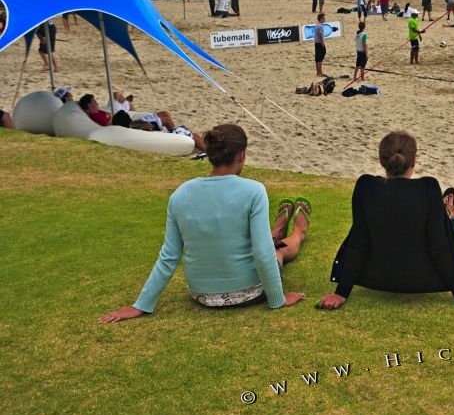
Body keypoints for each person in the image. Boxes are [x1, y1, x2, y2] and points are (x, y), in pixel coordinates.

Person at [99, 124, 309, 323]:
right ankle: (298, 231)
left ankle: (278, 229)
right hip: (249, 293)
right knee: (277, 252)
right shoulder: (254, 190)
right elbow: (263, 254)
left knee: (269, 244)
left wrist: (141, 305)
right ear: (242, 156)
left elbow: (169, 255)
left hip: (202, 295)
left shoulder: (180, 194)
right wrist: (277, 300)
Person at [317, 131, 454, 312]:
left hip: (378, 274)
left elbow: (359, 242)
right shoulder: (428, 187)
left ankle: (446, 210)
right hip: (423, 272)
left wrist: (342, 292)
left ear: (381, 161)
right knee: (451, 231)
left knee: (443, 227)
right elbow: (439, 245)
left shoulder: (365, 187)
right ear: (414, 162)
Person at [313, 13, 327, 77]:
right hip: (319, 43)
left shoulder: (317, 25)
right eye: (324, 18)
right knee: (319, 59)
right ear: (321, 18)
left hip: (317, 43)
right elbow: (321, 35)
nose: (325, 19)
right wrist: (322, 43)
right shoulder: (320, 26)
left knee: (318, 59)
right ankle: (319, 73)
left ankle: (319, 72)